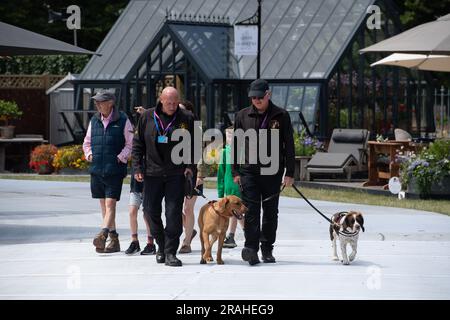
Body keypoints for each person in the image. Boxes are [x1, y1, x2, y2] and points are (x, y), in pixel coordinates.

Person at [232, 79, 295, 265]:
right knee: (251, 210)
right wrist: (235, 170)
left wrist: (289, 173)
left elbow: (289, 146)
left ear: (268, 94)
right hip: (249, 171)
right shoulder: (242, 115)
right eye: (253, 97)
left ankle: (267, 248)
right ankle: (251, 248)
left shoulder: (281, 115)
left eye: (260, 97)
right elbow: (236, 144)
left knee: (270, 211)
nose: (257, 100)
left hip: (273, 171)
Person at [132, 87, 195, 267]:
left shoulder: (187, 118)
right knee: (150, 211)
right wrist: (137, 166)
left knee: (173, 213)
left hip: (176, 173)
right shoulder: (147, 117)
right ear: (161, 100)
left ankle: (170, 252)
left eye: (175, 103)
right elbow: (138, 144)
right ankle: (161, 244)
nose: (172, 106)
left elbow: (194, 144)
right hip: (152, 173)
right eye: (169, 103)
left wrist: (190, 166)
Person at [83, 91, 133, 253]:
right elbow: (87, 142)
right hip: (97, 169)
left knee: (110, 204)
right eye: (96, 102)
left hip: (114, 170)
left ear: (110, 102)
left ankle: (102, 234)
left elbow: (131, 144)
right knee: (104, 206)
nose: (97, 104)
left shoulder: (123, 120)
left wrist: (121, 157)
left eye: (100, 102)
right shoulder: (94, 120)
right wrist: (89, 154)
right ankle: (114, 239)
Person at [125, 106, 156, 255]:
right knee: (132, 211)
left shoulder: (151, 141)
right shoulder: (136, 144)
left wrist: (147, 114)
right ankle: (134, 241)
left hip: (149, 181)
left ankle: (151, 242)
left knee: (147, 213)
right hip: (136, 183)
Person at [178, 100, 205, 254]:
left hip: (193, 172)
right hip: (176, 171)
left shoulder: (196, 127)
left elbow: (201, 151)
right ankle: (190, 230)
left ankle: (186, 241)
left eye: (181, 110)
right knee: (175, 209)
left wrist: (200, 174)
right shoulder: (175, 125)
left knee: (188, 208)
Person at [218, 126, 245, 249]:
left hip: (241, 187)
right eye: (228, 136)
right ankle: (233, 236)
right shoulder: (224, 152)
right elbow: (221, 173)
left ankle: (233, 235)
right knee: (235, 213)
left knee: (237, 212)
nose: (231, 138)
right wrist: (220, 191)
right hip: (229, 189)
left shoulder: (243, 152)